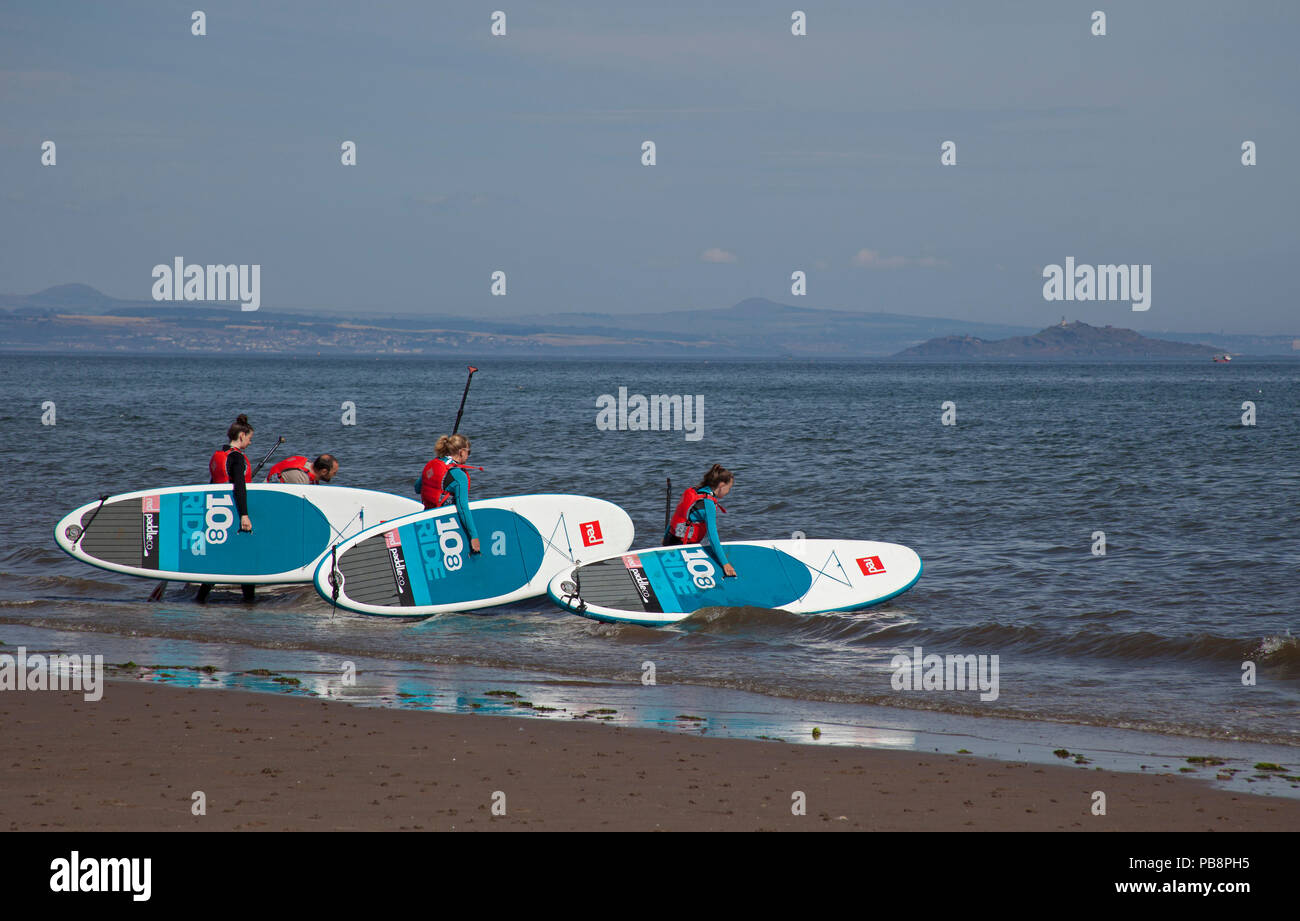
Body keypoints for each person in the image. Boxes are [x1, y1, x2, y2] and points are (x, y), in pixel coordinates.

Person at [198, 414, 257, 604]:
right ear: (241, 436)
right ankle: (249, 603)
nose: (249, 443)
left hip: (216, 512)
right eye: (249, 439)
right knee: (247, 559)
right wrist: (245, 515)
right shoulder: (237, 458)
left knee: (219, 557)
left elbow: (212, 485)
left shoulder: (219, 456)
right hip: (233, 513)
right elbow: (239, 487)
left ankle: (200, 598)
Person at [663, 464, 737, 577]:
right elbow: (712, 537)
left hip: (670, 540)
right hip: (683, 547)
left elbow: (677, 515)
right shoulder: (708, 504)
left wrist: (664, 538)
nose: (728, 491)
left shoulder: (693, 491)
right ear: (721, 485)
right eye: (729, 488)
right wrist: (725, 563)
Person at [417, 434, 481, 555]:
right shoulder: (459, 475)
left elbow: (417, 488)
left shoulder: (433, 464)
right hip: (444, 520)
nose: (468, 455)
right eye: (469, 452)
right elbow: (463, 508)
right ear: (461, 452)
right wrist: (474, 536)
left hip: (427, 516)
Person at [266, 453, 339, 484]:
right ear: (324, 471)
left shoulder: (310, 468)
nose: (334, 475)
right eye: (334, 473)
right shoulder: (301, 477)